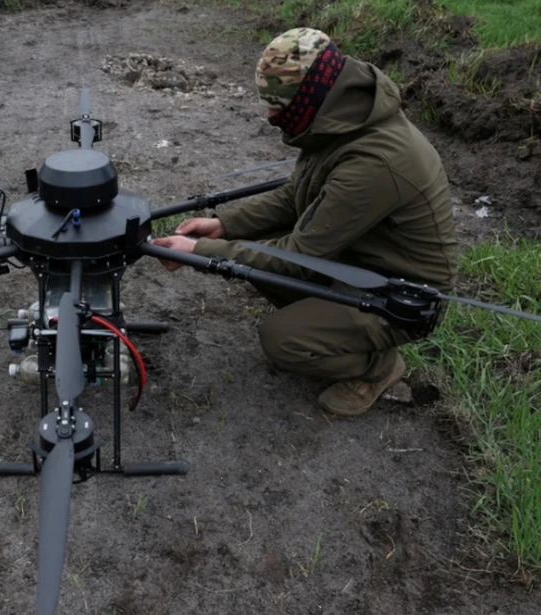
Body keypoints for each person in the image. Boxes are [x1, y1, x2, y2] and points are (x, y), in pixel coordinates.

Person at [151, 27, 458, 416]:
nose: (270, 116)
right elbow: (294, 196)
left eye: (278, 105)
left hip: (400, 296)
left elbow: (297, 256)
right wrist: (224, 225)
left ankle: (378, 368)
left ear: (309, 97)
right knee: (262, 253)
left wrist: (200, 251)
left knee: (282, 339)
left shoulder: (374, 162)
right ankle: (331, 324)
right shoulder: (338, 119)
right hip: (360, 258)